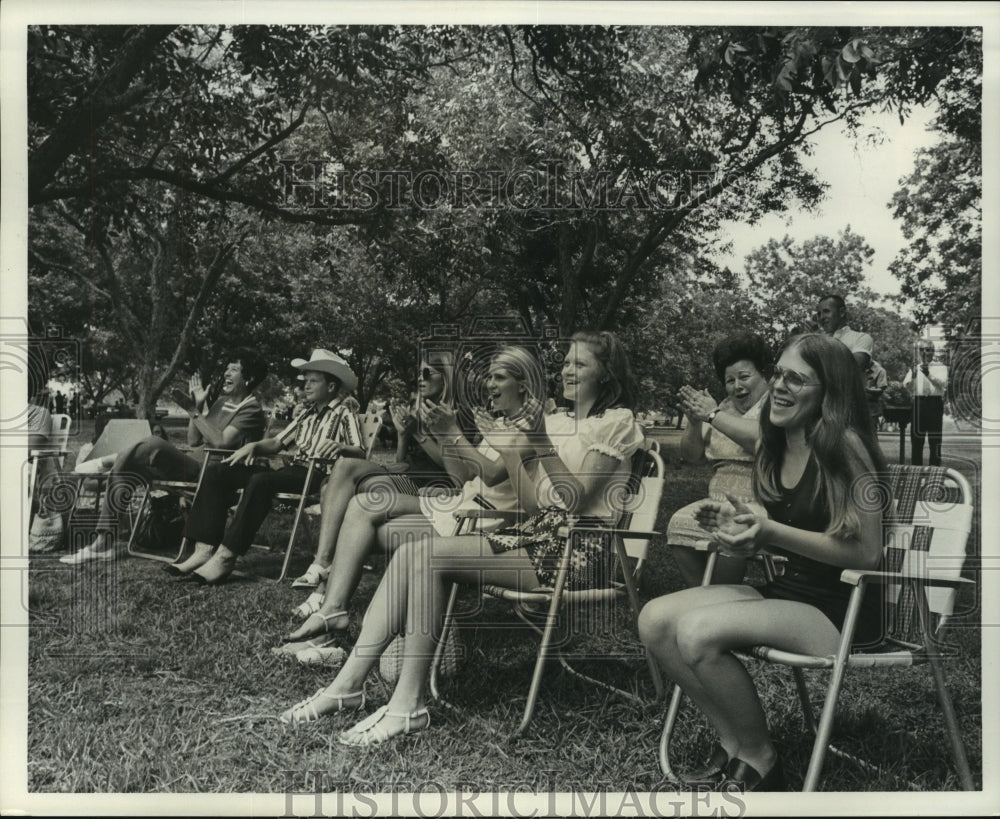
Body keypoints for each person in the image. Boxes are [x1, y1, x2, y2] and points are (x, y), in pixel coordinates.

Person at [278, 331, 645, 745]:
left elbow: (575, 502)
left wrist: (539, 443)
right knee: (416, 552)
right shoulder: (555, 421)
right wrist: (512, 451)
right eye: (565, 362)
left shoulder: (616, 423)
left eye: (580, 364)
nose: (567, 370)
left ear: (606, 373)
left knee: (427, 555)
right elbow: (532, 506)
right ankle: (348, 685)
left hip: (581, 549)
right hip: (537, 533)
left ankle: (405, 704)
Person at [637, 332, 887, 792]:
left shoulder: (844, 445)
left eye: (798, 379)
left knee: (697, 632)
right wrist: (744, 532)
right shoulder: (780, 445)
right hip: (790, 592)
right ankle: (733, 741)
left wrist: (771, 532)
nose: (780, 387)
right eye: (779, 374)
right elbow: (791, 532)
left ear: (830, 392)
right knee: (654, 619)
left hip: (843, 610)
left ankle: (761, 759)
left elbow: (867, 553)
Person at [276, 346, 546, 661]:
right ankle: (331, 610)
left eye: (499, 378)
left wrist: (451, 433)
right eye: (490, 378)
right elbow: (469, 477)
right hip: (460, 504)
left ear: (523, 385)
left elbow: (492, 474)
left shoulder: (533, 426)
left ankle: (328, 626)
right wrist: (427, 435)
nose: (489, 385)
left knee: (363, 530)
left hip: (484, 519)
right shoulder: (498, 422)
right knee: (361, 505)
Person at [167, 349, 364, 584]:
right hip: (291, 471)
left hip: (318, 474)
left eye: (313, 381)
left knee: (262, 480)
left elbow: (360, 450)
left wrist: (340, 447)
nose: (306, 386)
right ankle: (203, 549)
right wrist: (255, 446)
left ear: (331, 387)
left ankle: (226, 556)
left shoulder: (344, 413)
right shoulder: (307, 414)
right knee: (218, 472)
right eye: (306, 381)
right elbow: (278, 442)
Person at [58, 350, 269, 565]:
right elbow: (193, 440)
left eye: (234, 369)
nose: (226, 373)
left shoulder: (251, 409)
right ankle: (102, 544)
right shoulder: (221, 402)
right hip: (193, 463)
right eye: (227, 368)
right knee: (126, 472)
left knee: (153, 443)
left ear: (249, 377)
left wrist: (193, 410)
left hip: (212, 472)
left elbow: (222, 442)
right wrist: (196, 407)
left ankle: (109, 460)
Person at [286, 349, 457, 596]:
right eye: (417, 374)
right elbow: (402, 461)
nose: (420, 379)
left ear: (447, 377)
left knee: (343, 489)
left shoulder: (455, 415)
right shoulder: (420, 408)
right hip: (404, 474)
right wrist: (403, 435)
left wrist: (419, 434)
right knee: (343, 467)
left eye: (427, 373)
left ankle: (324, 587)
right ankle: (323, 562)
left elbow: (454, 468)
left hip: (429, 485)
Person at [668, 333, 772, 587]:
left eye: (744, 377)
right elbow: (692, 456)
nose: (737, 386)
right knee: (678, 523)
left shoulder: (773, 406)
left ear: (764, 375)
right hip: (716, 501)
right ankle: (705, 594)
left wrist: (712, 414)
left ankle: (723, 595)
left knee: (731, 528)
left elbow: (761, 440)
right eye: (729, 380)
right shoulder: (723, 408)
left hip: (761, 503)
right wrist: (694, 422)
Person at [904, 340, 948, 466]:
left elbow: (943, 383)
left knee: (935, 440)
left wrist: (928, 374)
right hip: (919, 403)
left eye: (927, 350)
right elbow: (907, 387)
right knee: (916, 440)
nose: (924, 352)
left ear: (933, 351)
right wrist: (913, 376)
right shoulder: (915, 367)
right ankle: (916, 470)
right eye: (921, 350)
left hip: (934, 404)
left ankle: (934, 470)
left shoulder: (941, 367)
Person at [816, 294, 873, 370]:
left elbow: (854, 367)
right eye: (819, 314)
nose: (822, 317)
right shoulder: (817, 341)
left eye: (826, 311)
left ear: (842, 312)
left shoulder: (861, 338)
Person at [863, 359, 888, 431]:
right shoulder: (857, 367)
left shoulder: (880, 371)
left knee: (871, 431)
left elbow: (881, 389)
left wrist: (867, 390)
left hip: (871, 407)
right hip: (856, 406)